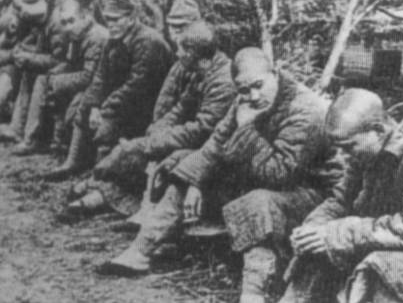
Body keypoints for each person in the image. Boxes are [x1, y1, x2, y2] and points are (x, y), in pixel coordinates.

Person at [95, 47, 343, 303]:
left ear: (275, 73)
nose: (253, 96)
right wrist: (196, 183)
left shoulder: (305, 109)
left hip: (313, 195)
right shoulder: (244, 102)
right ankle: (141, 250)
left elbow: (280, 174)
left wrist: (246, 128)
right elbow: (215, 145)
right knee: (184, 163)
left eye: (258, 85)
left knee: (258, 201)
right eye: (244, 90)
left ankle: (254, 292)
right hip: (264, 180)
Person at [57, 20, 236, 224]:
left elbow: (202, 130)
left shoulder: (222, 82)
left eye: (180, 50)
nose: (176, 55)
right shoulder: (203, 70)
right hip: (189, 139)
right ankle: (94, 197)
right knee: (137, 153)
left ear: (192, 53)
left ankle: (104, 196)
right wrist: (158, 129)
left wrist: (157, 141)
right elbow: (181, 108)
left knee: (135, 153)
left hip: (211, 151)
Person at [281, 89, 403, 303]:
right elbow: (341, 201)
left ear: (378, 130)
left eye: (348, 148)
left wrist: (338, 233)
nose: (342, 157)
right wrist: (313, 230)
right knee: (318, 248)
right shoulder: (366, 150)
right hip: (402, 239)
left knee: (382, 268)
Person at [45, 0, 173, 179]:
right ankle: (73, 162)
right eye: (108, 19)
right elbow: (99, 78)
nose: (110, 24)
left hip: (149, 107)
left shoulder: (147, 41)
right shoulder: (113, 39)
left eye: (116, 19)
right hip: (124, 99)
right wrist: (93, 104)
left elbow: (137, 87)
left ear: (131, 18)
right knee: (84, 105)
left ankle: (99, 176)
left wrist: (104, 109)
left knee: (106, 128)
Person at [12, 0, 109, 155]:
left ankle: (57, 143)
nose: (68, 27)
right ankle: (33, 139)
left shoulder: (96, 37)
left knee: (54, 86)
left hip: (98, 87)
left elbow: (88, 76)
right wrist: (55, 73)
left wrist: (58, 80)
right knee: (44, 79)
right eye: (64, 22)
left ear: (84, 16)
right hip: (85, 79)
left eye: (71, 21)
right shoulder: (76, 33)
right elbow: (70, 62)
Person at [0, 0, 68, 142]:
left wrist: (30, 58)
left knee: (38, 78)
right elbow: (36, 40)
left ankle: (31, 138)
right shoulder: (39, 19)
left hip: (64, 70)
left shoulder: (57, 23)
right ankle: (17, 128)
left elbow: (60, 61)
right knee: (28, 71)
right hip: (43, 61)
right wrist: (23, 51)